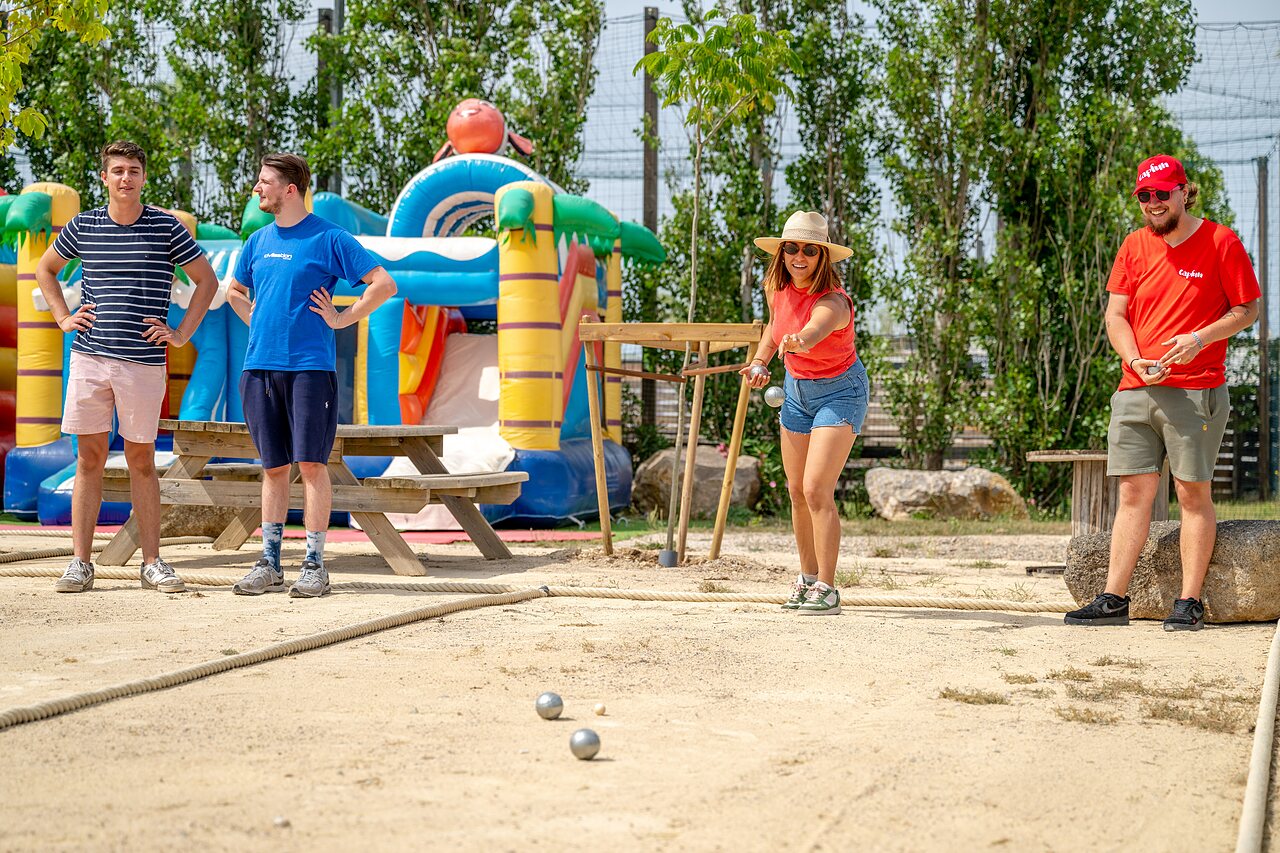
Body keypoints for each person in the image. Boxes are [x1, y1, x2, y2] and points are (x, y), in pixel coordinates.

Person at [1065, 154, 1261, 631]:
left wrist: (1199, 339)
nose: (1152, 203)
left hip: (1195, 389)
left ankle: (1188, 602)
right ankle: (1113, 599)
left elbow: (1248, 310)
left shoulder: (1221, 241)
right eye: (1144, 195)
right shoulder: (1134, 245)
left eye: (1161, 194)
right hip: (1135, 387)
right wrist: (1134, 359)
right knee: (1133, 495)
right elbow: (1116, 316)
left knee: (1191, 494)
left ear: (1184, 192)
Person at [35, 140, 218, 594]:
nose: (125, 178)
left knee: (142, 461)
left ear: (143, 177)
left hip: (143, 363)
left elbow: (207, 280)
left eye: (133, 170)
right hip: (90, 358)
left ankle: (152, 563)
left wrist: (181, 333)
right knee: (88, 460)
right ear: (104, 177)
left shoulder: (167, 227)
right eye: (117, 170)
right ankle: (80, 564)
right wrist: (63, 317)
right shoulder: (83, 226)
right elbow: (45, 269)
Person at [226, 153, 397, 598]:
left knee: (312, 466)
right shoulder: (257, 241)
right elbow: (234, 291)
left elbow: (384, 284)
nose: (257, 189)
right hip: (259, 369)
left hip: (310, 370)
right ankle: (269, 563)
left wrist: (343, 318)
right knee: (273, 468)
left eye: (264, 182)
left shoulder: (329, 237)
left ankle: (315, 565)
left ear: (290, 190)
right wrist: (256, 320)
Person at [741, 210, 870, 615]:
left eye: (810, 250)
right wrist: (760, 362)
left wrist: (800, 341)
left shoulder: (834, 302)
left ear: (822, 256)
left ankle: (828, 588)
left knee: (816, 489)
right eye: (792, 248)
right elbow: (773, 327)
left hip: (840, 392)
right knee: (796, 491)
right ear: (781, 252)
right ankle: (808, 578)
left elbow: (814, 329)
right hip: (797, 391)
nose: (799, 256)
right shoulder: (775, 288)